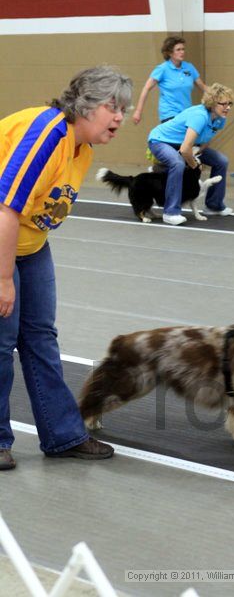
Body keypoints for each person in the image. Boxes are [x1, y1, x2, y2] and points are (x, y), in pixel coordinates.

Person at [0, 65, 133, 470]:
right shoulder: (46, 135)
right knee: (2, 344)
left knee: (40, 336)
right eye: (113, 107)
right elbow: (5, 209)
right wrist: (4, 279)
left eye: (123, 109)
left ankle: (62, 436)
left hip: (31, 244)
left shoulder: (82, 148)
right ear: (86, 104)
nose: (120, 117)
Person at [147, 83, 234, 226]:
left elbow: (206, 140)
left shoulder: (220, 118)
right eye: (223, 104)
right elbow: (185, 149)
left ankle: (214, 205)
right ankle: (170, 213)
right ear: (212, 103)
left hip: (186, 145)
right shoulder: (199, 116)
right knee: (177, 163)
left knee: (221, 161)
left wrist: (198, 152)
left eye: (230, 103)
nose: (228, 107)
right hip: (160, 141)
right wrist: (195, 165)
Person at [132, 35, 207, 125]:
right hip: (169, 114)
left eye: (183, 49)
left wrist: (220, 96)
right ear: (170, 53)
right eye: (178, 50)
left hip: (186, 113)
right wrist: (138, 111)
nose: (182, 52)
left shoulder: (189, 67)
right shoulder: (162, 69)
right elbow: (146, 88)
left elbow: (203, 87)